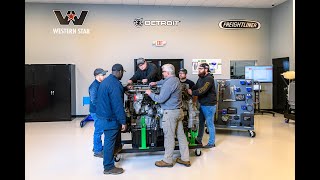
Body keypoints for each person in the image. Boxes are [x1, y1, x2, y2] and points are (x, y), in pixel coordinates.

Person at [146, 64, 191, 168]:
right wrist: (156, 83)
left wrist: (150, 93)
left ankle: (167, 160)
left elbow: (161, 99)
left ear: (167, 72)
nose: (162, 74)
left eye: (163, 72)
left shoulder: (169, 83)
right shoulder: (175, 79)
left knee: (169, 137)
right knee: (181, 136)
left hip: (170, 113)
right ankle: (185, 159)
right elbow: (164, 82)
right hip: (178, 112)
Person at [96, 64, 127, 175]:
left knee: (111, 140)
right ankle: (108, 167)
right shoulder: (115, 85)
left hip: (103, 116)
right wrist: (123, 121)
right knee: (109, 141)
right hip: (110, 119)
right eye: (122, 72)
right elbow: (117, 105)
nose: (123, 74)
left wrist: (125, 88)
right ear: (119, 72)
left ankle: (115, 151)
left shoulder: (107, 81)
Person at [187, 63, 217, 148]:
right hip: (203, 104)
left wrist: (192, 93)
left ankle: (211, 143)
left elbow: (203, 90)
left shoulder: (209, 79)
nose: (199, 70)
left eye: (200, 69)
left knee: (209, 123)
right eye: (198, 69)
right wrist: (189, 90)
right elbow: (196, 86)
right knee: (201, 123)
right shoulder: (200, 78)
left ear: (206, 69)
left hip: (209, 105)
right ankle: (199, 139)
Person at [89, 68, 107, 158]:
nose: (104, 76)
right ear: (97, 76)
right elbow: (94, 100)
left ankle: (96, 147)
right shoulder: (94, 86)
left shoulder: (99, 84)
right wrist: (103, 109)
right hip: (96, 112)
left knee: (99, 130)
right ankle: (97, 151)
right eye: (103, 75)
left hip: (98, 111)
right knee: (99, 131)